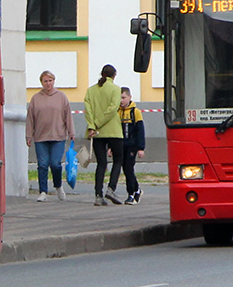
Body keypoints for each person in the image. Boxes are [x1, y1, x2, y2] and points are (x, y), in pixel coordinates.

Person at [25, 70, 75, 202]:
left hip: (58, 136)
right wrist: (29, 135)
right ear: (41, 83)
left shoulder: (61, 97)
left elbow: (68, 116)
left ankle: (58, 186)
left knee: (55, 164)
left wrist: (71, 132)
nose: (48, 83)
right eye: (45, 81)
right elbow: (30, 118)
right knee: (42, 164)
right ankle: (43, 191)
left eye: (50, 81)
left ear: (54, 81)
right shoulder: (36, 98)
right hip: (40, 137)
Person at [84, 64, 123, 206]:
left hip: (96, 132)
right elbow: (113, 109)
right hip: (113, 130)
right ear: (114, 75)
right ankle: (111, 188)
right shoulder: (116, 89)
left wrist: (92, 125)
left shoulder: (91, 91)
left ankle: (98, 195)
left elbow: (87, 110)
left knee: (101, 163)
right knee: (118, 160)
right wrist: (99, 122)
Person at [110, 86, 145, 205]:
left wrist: (141, 148)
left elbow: (140, 130)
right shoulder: (117, 111)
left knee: (128, 168)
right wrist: (111, 147)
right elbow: (114, 130)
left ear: (130, 97)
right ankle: (137, 190)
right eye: (119, 98)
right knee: (125, 168)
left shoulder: (135, 112)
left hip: (132, 145)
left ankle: (131, 194)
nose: (121, 101)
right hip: (120, 144)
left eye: (123, 98)